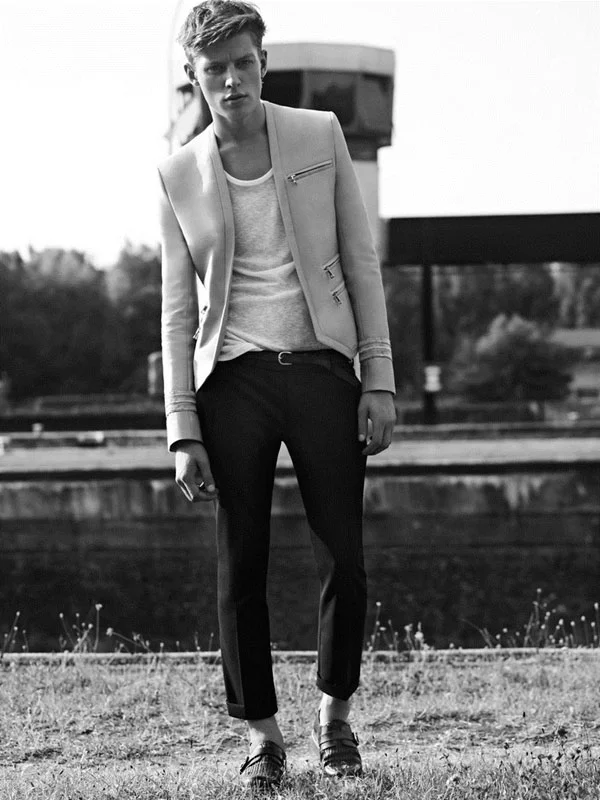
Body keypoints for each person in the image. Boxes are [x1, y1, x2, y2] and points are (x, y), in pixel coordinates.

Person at [158, 0, 396, 788]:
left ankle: (335, 720)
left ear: (262, 63)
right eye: (215, 68)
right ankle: (262, 735)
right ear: (193, 76)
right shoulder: (177, 173)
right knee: (241, 567)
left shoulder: (319, 134)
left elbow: (361, 263)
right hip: (234, 383)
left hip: (324, 371)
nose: (232, 80)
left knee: (344, 559)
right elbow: (177, 312)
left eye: (243, 63)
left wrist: (378, 377)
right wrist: (183, 429)